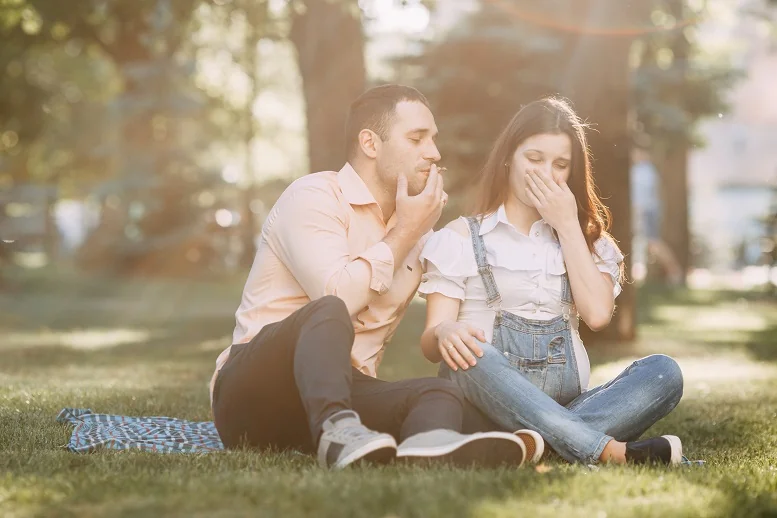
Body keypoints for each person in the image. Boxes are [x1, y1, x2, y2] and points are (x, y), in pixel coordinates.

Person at [209, 84, 527, 470]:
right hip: (252, 394)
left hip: (338, 393)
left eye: (433, 139)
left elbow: (465, 288)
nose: (434, 153)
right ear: (370, 144)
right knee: (327, 310)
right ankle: (338, 431)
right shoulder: (313, 197)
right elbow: (339, 295)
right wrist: (406, 232)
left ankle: (429, 445)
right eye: (417, 138)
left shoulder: (418, 231)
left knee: (436, 392)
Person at [418, 97, 685, 465]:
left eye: (560, 165)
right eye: (534, 159)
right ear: (509, 156)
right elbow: (432, 343)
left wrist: (567, 226)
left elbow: (596, 315)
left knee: (663, 373)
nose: (546, 173)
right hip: (484, 400)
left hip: (569, 404)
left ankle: (534, 444)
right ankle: (605, 450)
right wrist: (445, 331)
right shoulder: (462, 237)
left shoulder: (589, 242)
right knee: (472, 356)